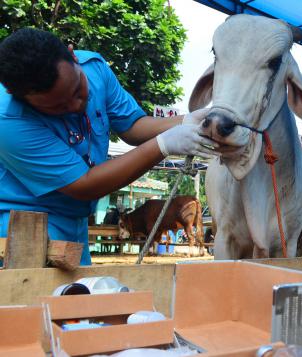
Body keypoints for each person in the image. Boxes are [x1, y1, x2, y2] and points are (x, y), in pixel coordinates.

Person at [0, 28, 219, 265]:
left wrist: (187, 120)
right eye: (57, 107)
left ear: (73, 56)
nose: (76, 106)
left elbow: (133, 125)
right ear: (17, 94)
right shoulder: (8, 119)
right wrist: (164, 144)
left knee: (80, 298)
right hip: (23, 226)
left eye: (78, 89)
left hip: (77, 220)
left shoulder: (95, 69)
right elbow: (84, 185)